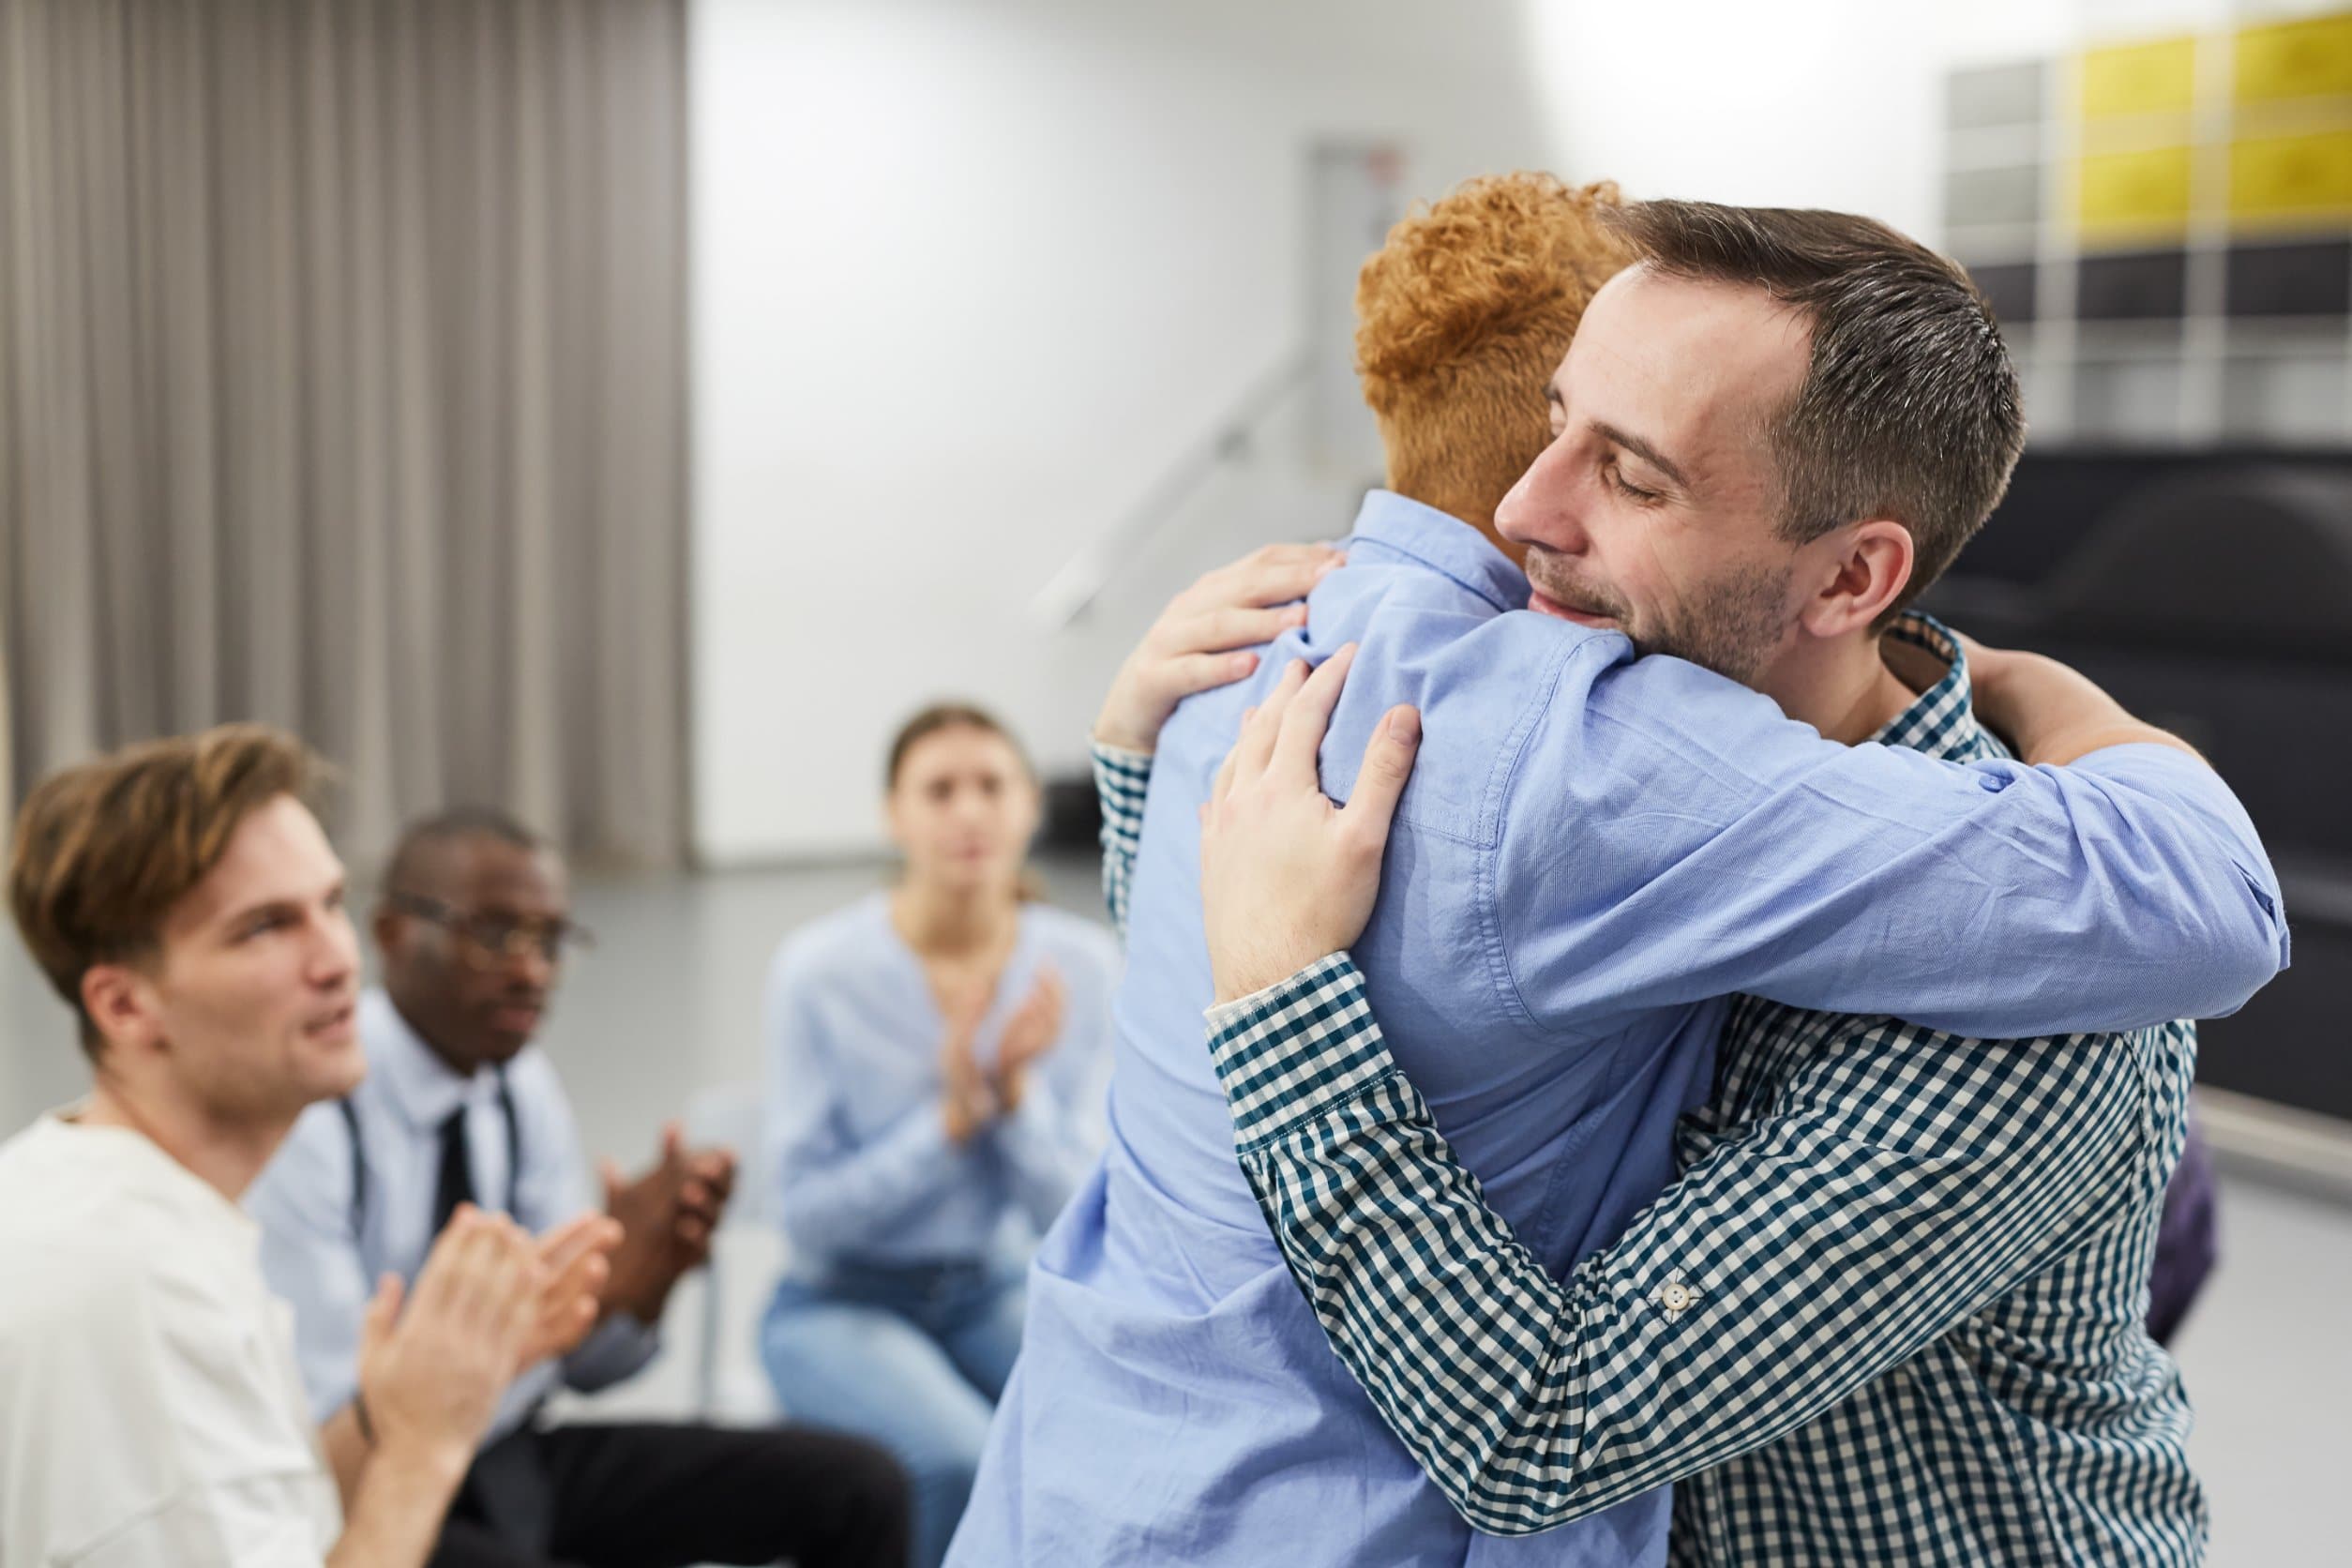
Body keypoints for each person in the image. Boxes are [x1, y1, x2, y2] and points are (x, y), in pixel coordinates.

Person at [944, 181, 2286, 1565]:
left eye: (1633, 477)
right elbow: (1302, 1017)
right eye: (1552, 423)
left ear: (1849, 581)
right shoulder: (1560, 767)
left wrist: (1284, 994)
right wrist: (1142, 753)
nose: (1523, 511)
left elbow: (1546, 1426)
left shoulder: (2033, 993)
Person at [0, 724, 603, 1568]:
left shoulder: (108, 1198)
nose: (336, 960)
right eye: (264, 928)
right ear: (126, 1007)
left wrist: (400, 1406)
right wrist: (425, 1448)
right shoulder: (144, 1294)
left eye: (328, 905)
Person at [247, 808, 910, 1568]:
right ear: (392, 933)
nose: (532, 970)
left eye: (551, 939)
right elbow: (344, 1424)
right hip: (366, 1491)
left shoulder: (518, 1085)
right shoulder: (316, 1113)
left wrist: (640, 1282)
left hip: (506, 1452)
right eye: (495, 934)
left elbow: (586, 1374)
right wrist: (529, 1337)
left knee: (859, 1487)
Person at [761, 704, 1121, 1568]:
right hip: (838, 1303)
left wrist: (1013, 1102)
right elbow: (806, 1222)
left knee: (1111, 1445)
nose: (969, 812)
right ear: (894, 815)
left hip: (992, 1288)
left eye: (992, 786)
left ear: (1031, 806)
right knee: (960, 1460)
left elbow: (1087, 1217)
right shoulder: (820, 973)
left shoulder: (1081, 966)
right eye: (940, 789)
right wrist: (948, 1127)